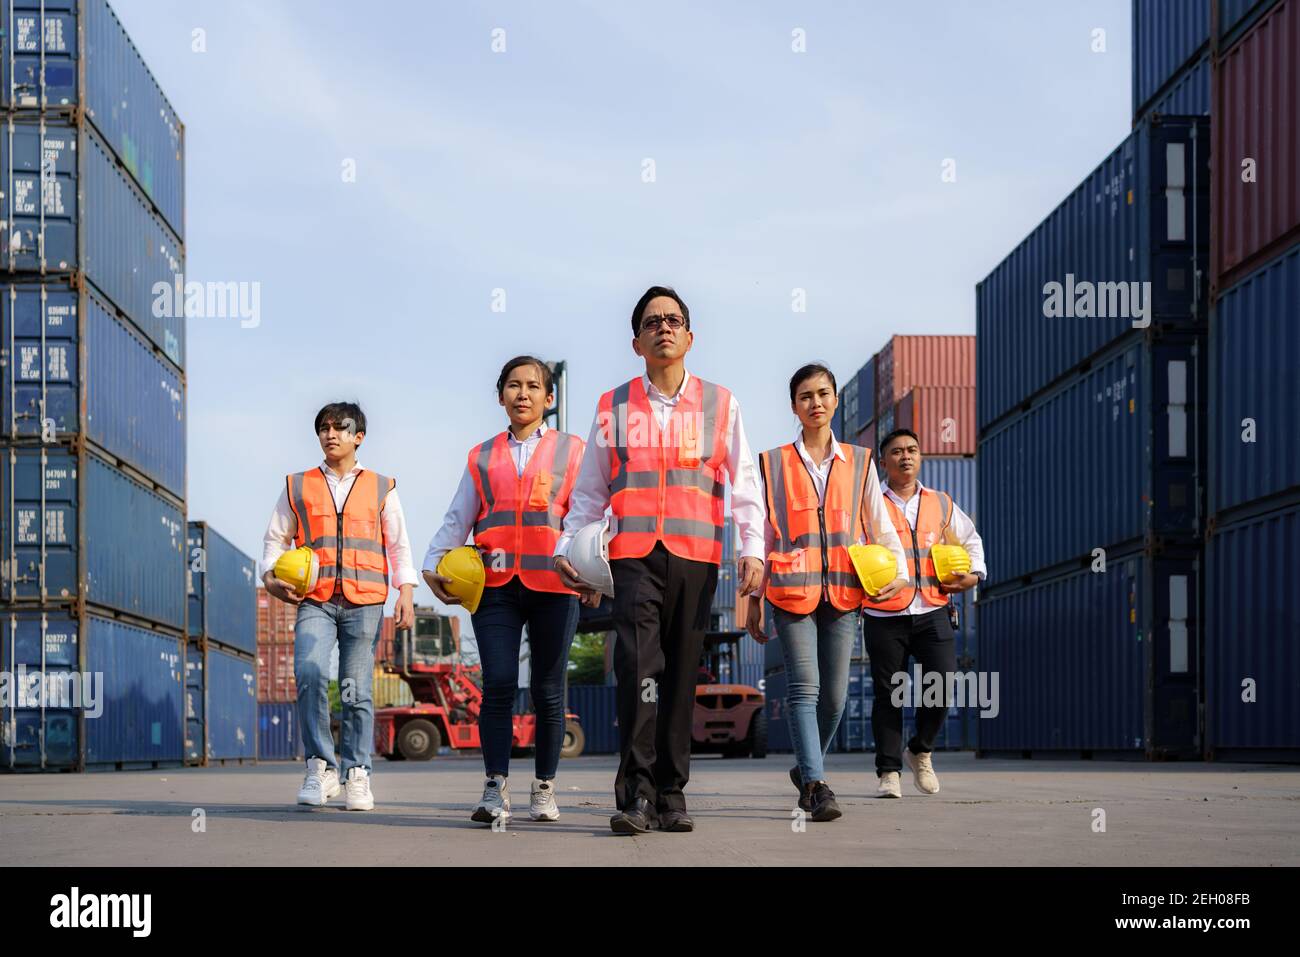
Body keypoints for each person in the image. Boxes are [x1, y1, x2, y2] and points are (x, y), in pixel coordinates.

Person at [554, 285, 765, 835]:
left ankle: (673, 794)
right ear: (636, 343)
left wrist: (753, 550)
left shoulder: (721, 404)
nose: (663, 328)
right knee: (637, 668)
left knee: (680, 676)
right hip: (633, 556)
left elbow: (744, 484)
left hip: (697, 557)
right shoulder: (613, 406)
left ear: (690, 337)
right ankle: (636, 796)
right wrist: (567, 549)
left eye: (673, 320)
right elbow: (590, 490)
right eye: (652, 322)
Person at [423, 356, 586, 825]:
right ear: (500, 396)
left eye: (533, 386)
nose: (523, 393)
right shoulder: (482, 456)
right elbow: (459, 515)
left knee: (548, 690)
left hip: (555, 585)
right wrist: (432, 564)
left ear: (548, 398)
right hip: (495, 586)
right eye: (513, 385)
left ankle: (544, 786)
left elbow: (588, 514)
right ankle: (495, 786)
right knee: (497, 682)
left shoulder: (572, 451)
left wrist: (596, 574)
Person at [746, 363, 908, 820]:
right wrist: (753, 599)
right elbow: (762, 535)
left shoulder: (860, 462)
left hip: (843, 592)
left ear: (835, 400)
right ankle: (816, 786)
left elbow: (879, 524)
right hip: (790, 593)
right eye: (805, 396)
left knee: (835, 698)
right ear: (793, 406)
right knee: (805, 689)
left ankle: (805, 766)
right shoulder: (772, 462)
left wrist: (899, 572)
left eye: (822, 394)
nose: (815, 402)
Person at [262, 401, 417, 811]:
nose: (330, 434)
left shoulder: (382, 486)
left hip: (365, 601)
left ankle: (357, 773)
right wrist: (269, 576)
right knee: (309, 672)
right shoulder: (298, 485)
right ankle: (320, 766)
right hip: (315, 599)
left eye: (340, 427)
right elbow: (275, 540)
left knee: (355, 689)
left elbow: (398, 544)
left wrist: (405, 590)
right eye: (324, 427)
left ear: (358, 436)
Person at [864, 427, 984, 798]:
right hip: (884, 613)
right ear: (882, 461)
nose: (906, 456)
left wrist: (975, 575)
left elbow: (971, 539)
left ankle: (920, 749)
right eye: (897, 451)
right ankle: (889, 772)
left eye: (912, 450)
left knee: (943, 684)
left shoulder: (941, 502)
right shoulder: (868, 504)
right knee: (889, 695)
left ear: (920, 457)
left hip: (933, 607)